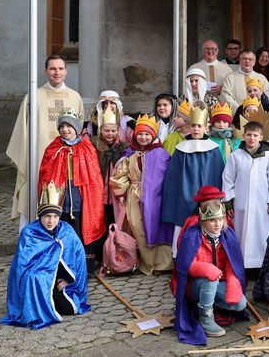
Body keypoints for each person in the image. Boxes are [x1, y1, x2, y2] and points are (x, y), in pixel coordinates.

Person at [7, 54, 85, 230]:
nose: (57, 72)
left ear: (66, 71)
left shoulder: (75, 97)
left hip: (67, 163)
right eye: (52, 68)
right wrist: (25, 158)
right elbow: (22, 130)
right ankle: (32, 240)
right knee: (35, 198)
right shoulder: (33, 97)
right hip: (39, 161)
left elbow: (79, 132)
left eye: (60, 68)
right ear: (46, 71)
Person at [1, 183, 90, 329]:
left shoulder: (66, 230)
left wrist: (68, 280)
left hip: (61, 283)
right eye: (47, 216)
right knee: (34, 278)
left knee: (69, 309)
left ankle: (52, 300)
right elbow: (23, 265)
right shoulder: (29, 233)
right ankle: (35, 308)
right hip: (40, 278)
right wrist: (44, 275)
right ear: (40, 215)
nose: (51, 221)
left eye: (55, 216)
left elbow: (78, 258)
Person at [173, 200, 247, 343]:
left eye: (220, 219)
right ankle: (206, 317)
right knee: (211, 279)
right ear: (203, 221)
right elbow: (186, 264)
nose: (217, 224)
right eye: (212, 220)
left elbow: (232, 264)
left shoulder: (227, 235)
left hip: (218, 280)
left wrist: (232, 284)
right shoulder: (193, 236)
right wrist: (207, 269)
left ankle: (212, 303)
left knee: (240, 304)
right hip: (195, 284)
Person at [36, 108, 105, 261]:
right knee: (62, 224)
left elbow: (94, 176)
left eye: (69, 126)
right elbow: (46, 172)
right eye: (62, 126)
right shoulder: (54, 147)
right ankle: (62, 262)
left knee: (81, 225)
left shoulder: (86, 147)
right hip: (60, 194)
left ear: (77, 128)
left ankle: (84, 263)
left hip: (81, 193)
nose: (65, 130)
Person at [111, 115, 174, 275]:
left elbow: (168, 176)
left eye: (147, 134)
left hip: (156, 197)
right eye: (140, 134)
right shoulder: (130, 154)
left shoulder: (161, 154)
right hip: (134, 195)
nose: (143, 137)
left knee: (158, 228)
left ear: (153, 135)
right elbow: (121, 174)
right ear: (135, 135)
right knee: (138, 229)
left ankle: (162, 264)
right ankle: (145, 264)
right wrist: (122, 192)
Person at [161, 103, 225, 258]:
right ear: (188, 127)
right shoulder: (181, 148)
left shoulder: (213, 148)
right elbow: (173, 178)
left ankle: (210, 256)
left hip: (208, 196)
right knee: (184, 221)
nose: (196, 129)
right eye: (193, 126)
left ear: (206, 127)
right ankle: (182, 256)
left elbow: (218, 174)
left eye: (199, 126)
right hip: (184, 195)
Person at [222, 121, 269, 269]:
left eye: (255, 135)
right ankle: (241, 264)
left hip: (262, 204)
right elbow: (228, 179)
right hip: (240, 204)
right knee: (240, 234)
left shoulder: (268, 156)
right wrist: (228, 201)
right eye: (249, 134)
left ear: (261, 137)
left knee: (261, 234)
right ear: (244, 135)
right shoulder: (236, 156)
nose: (252, 138)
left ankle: (260, 265)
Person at [90, 107, 129, 261]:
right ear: (100, 130)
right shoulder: (94, 145)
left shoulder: (123, 148)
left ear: (118, 130)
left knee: (114, 223)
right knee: (99, 223)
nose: (110, 134)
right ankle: (99, 255)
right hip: (98, 194)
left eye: (113, 130)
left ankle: (114, 254)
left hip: (114, 195)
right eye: (106, 130)